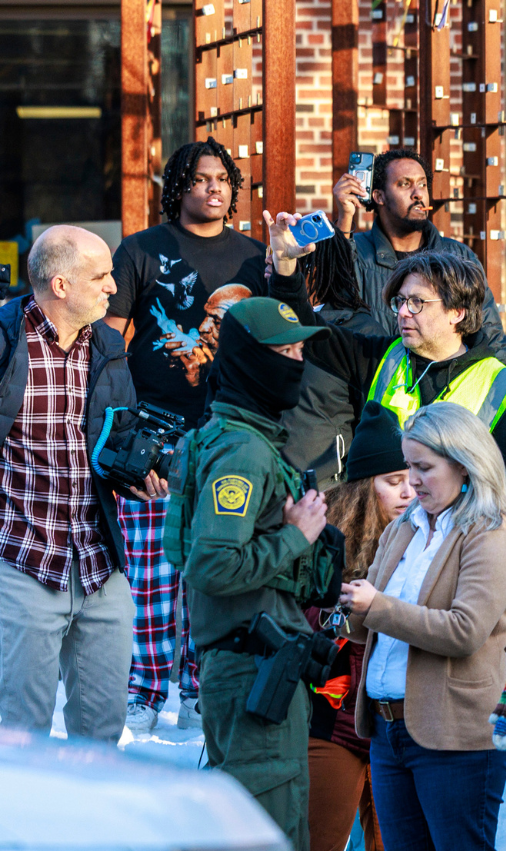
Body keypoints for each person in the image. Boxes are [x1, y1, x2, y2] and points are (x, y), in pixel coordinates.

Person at [339, 402, 506, 851]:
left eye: (424, 467)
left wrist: (379, 608)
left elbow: (466, 630)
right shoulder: (407, 527)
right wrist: (354, 609)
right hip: (391, 727)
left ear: (465, 464)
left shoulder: (490, 531)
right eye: (408, 468)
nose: (411, 481)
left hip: (458, 733)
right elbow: (376, 622)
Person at [174, 297, 344, 851]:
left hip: (255, 662)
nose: (297, 362)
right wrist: (295, 538)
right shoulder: (243, 452)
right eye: (284, 351)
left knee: (259, 838)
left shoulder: (238, 438)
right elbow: (211, 564)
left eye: (300, 350)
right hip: (254, 668)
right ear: (249, 360)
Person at [107, 139, 265, 736]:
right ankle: (145, 690)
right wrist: (121, 428)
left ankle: (202, 688)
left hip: (227, 434)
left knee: (211, 565)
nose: (214, 187)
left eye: (223, 177)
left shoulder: (254, 258)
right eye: (201, 178)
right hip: (151, 435)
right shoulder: (141, 249)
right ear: (179, 187)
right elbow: (108, 344)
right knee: (149, 575)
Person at [0, 227, 150, 744]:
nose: (113, 287)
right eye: (101, 276)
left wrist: (137, 473)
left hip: (99, 564)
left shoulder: (109, 345)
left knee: (102, 736)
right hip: (22, 561)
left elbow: (120, 433)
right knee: (22, 738)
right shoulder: (5, 340)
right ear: (60, 285)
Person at [262, 217, 506, 490]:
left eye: (417, 302)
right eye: (401, 301)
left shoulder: (504, 388)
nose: (403, 312)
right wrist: (284, 266)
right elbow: (304, 330)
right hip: (383, 518)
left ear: (457, 312)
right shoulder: (382, 357)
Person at [301, 402, 412, 851]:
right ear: (364, 484)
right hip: (332, 722)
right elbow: (299, 619)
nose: (408, 491)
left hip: (393, 723)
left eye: (413, 478)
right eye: (394, 480)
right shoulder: (326, 543)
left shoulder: (423, 538)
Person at [330, 151, 506, 364]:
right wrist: (345, 218)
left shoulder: (459, 256)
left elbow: (490, 334)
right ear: (379, 197)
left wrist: (502, 382)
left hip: (447, 382)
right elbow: (337, 309)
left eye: (423, 184)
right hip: (378, 380)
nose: (418, 194)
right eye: (404, 184)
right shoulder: (356, 252)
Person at [284, 231, 391, 485]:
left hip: (331, 492)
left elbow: (375, 426)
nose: (271, 260)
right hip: (271, 489)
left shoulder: (362, 332)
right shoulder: (264, 323)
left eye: (286, 255)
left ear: (317, 265)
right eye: (272, 253)